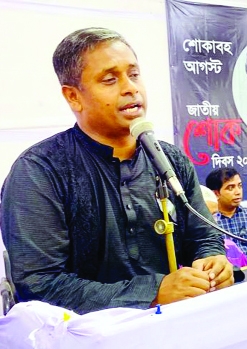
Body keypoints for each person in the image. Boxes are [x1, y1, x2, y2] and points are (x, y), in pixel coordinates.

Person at [1, 28, 233, 314]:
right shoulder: (40, 171)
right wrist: (152, 292)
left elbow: (203, 236)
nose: (130, 88)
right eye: (110, 80)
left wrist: (212, 260)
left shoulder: (169, 159)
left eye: (134, 75)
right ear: (73, 96)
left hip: (172, 326)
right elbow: (39, 284)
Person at [205, 168, 247, 264]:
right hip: (224, 275)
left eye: (239, 186)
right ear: (216, 193)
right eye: (231, 188)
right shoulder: (207, 221)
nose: (238, 192)